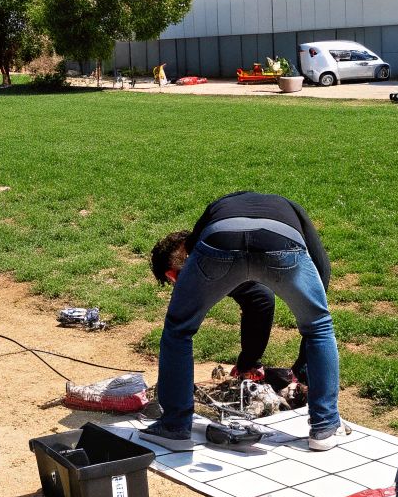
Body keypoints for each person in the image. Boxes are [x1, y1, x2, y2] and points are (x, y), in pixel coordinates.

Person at [142, 191, 348, 451]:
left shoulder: (218, 206)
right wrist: (315, 318)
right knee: (319, 328)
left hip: (219, 243)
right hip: (281, 243)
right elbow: (321, 265)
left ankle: (174, 428)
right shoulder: (287, 206)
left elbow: (195, 250)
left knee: (178, 330)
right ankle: (325, 426)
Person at [149, 221, 331, 386]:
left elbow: (260, 298)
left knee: (314, 332)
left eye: (175, 279)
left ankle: (304, 383)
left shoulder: (214, 258)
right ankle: (302, 380)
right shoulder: (212, 240)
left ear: (173, 272)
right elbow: (253, 298)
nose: (180, 286)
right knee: (315, 326)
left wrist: (247, 363)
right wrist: (248, 361)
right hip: (289, 227)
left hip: (296, 249)